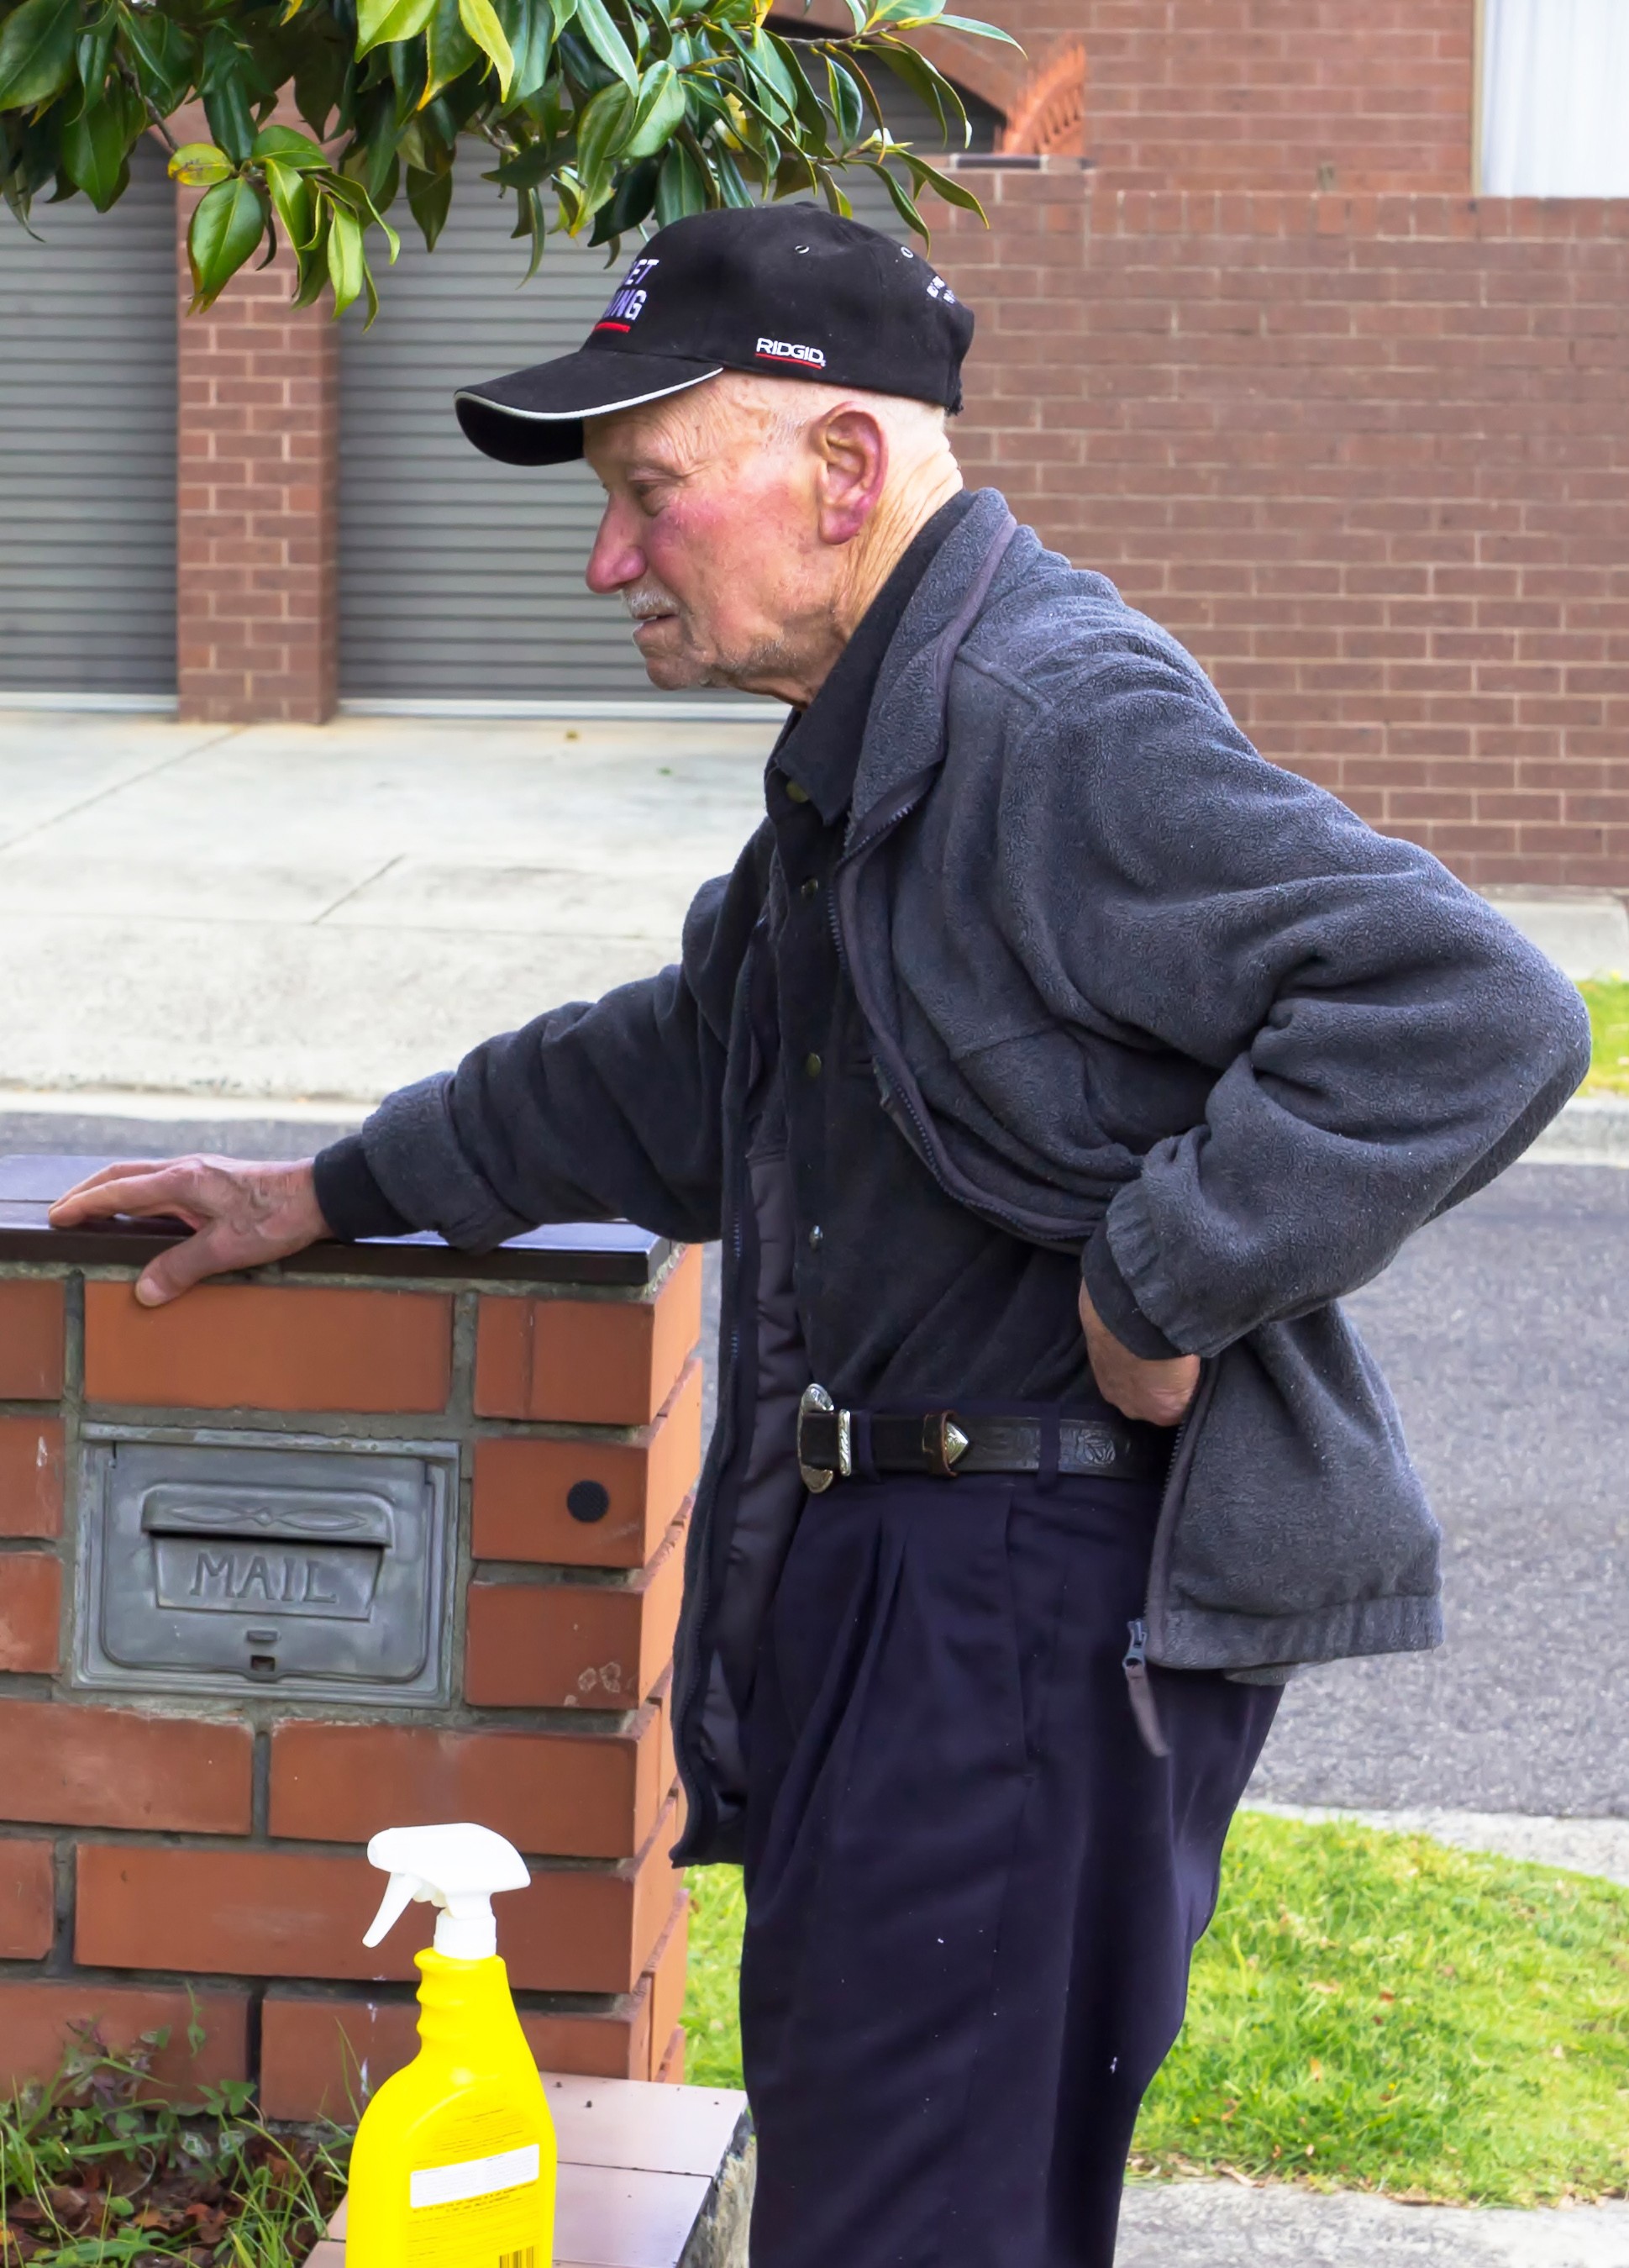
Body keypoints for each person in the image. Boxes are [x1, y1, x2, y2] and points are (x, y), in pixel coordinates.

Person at [53, 205, 1589, 2266]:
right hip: (925, 1578)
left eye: (646, 496)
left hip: (1032, 1596)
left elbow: (1471, 1009)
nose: (610, 561)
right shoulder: (885, 742)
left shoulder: (1048, 721)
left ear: (842, 471)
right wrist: (318, 1193)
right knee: (893, 2181)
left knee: (911, 2219)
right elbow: (681, 1071)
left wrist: (1167, 1274)